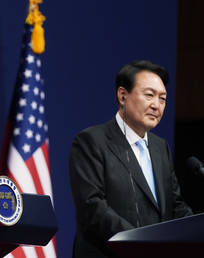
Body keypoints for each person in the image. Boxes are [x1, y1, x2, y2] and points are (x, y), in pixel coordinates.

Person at [69, 60, 193, 258]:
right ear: (123, 96)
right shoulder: (91, 141)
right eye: (149, 95)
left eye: (163, 99)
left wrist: (195, 229)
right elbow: (92, 208)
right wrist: (139, 242)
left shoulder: (161, 147)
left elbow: (175, 205)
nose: (156, 105)